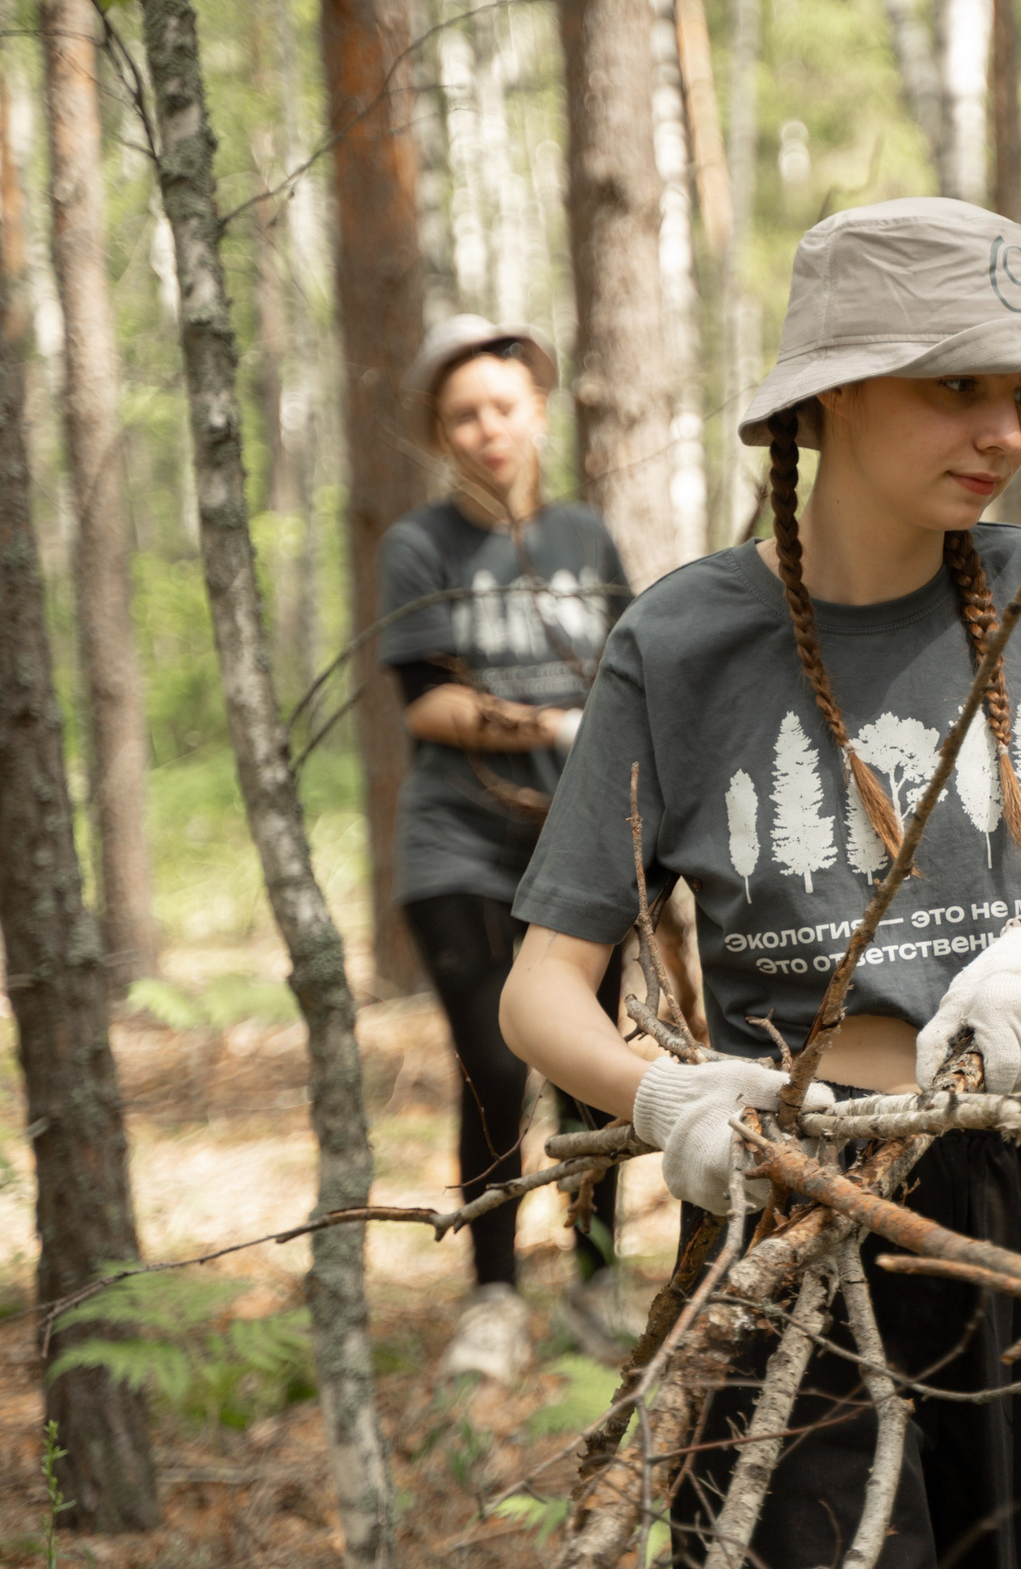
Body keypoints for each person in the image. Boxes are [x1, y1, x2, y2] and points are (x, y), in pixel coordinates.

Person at [498, 197, 1021, 1565]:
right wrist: (663, 1091)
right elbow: (543, 984)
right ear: (833, 398)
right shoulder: (680, 642)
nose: (1007, 433)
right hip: (791, 1195)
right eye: (956, 385)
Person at [378, 315, 634, 1384]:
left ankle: (598, 1278)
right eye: (462, 417)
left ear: (537, 410)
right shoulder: (420, 547)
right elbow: (426, 700)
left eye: (502, 408)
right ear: (441, 435)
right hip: (459, 846)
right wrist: (545, 727)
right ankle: (491, 1296)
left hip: (577, 845)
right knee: (491, 1061)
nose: (486, 431)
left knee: (592, 1061)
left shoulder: (585, 539)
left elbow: (630, 676)